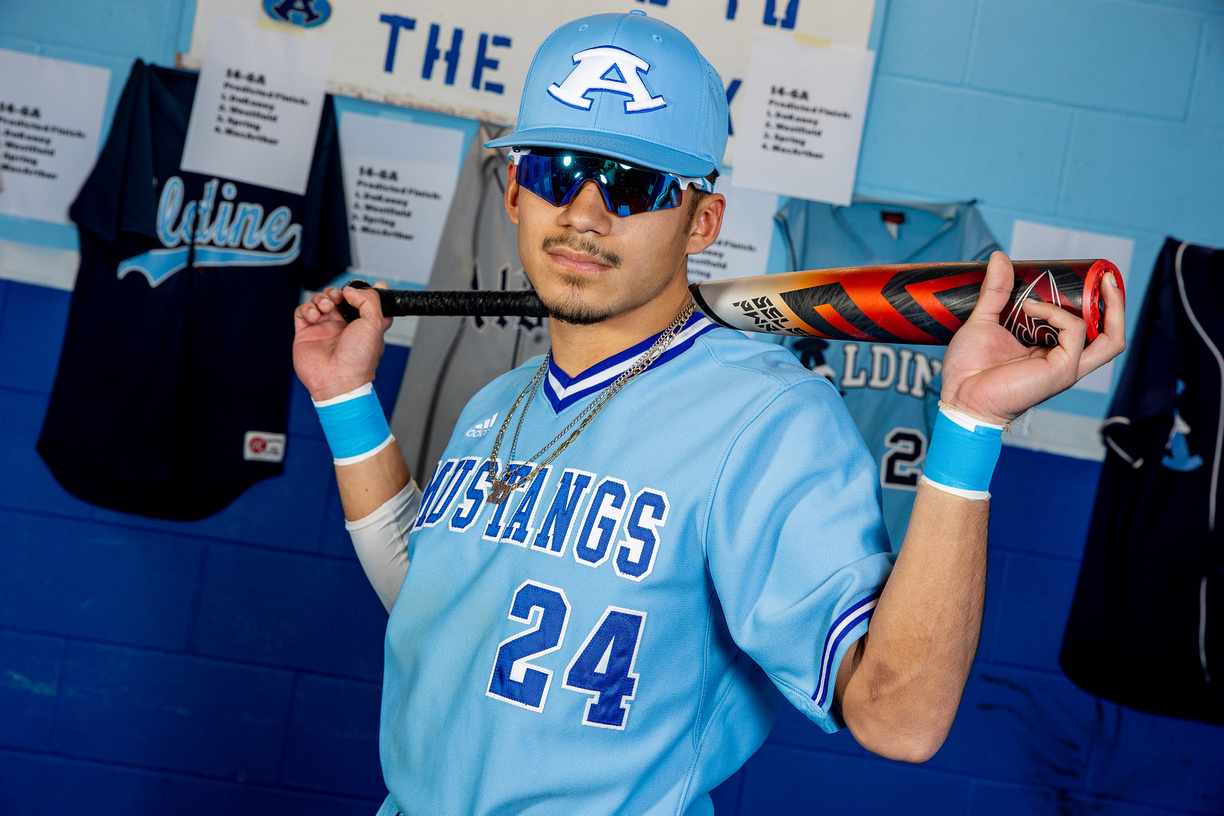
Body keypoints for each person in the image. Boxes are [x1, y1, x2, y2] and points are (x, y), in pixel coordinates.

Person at [292, 10, 1125, 816]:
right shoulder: (496, 404)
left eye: (632, 183)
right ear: (515, 192)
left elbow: (899, 721)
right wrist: (344, 401)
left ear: (704, 221)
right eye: (554, 170)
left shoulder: (768, 419)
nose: (584, 212)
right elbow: (436, 606)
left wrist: (970, 425)